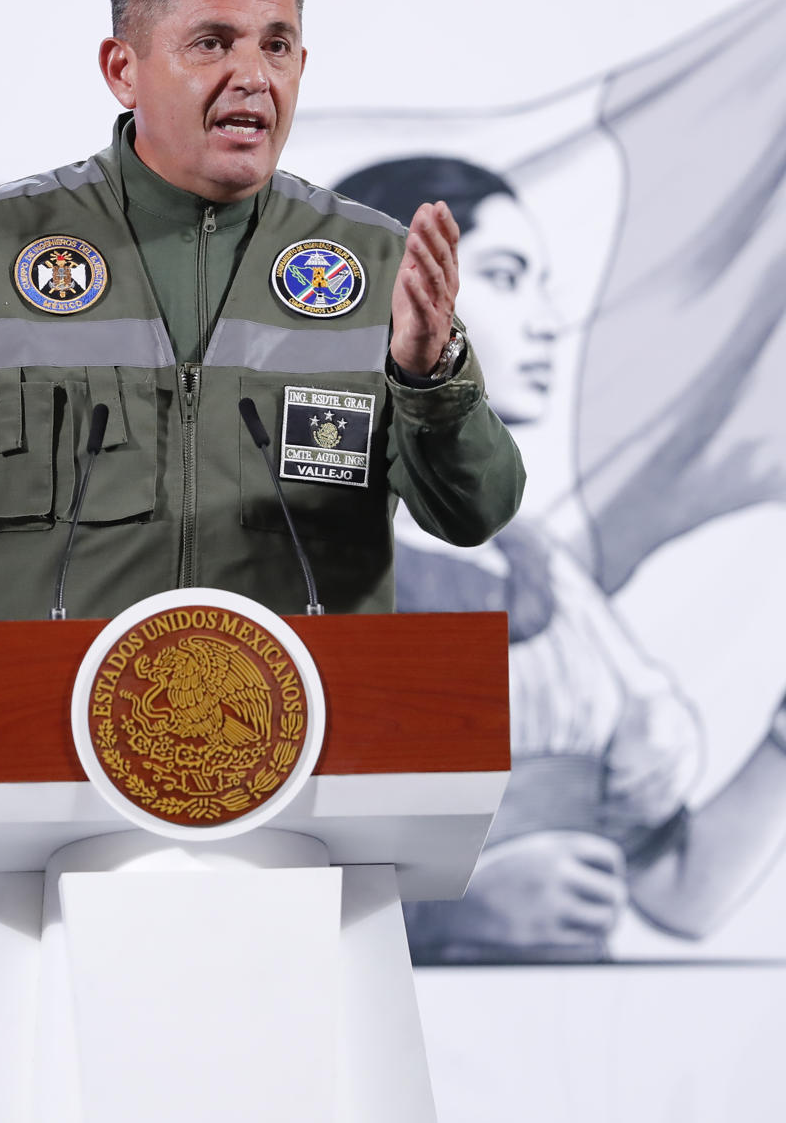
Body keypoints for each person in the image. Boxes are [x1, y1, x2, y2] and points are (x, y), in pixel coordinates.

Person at [0, 0, 527, 1121]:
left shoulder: (372, 269)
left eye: (281, 44)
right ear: (123, 66)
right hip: (30, 880)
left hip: (306, 883)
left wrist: (425, 376)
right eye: (215, 41)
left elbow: (477, 509)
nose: (254, 75)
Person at [335, 156, 786, 962]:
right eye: (507, 277)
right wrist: (443, 915)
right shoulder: (297, 563)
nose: (548, 321)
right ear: (398, 297)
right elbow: (221, 872)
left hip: (569, 1050)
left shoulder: (546, 578)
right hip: (393, 1035)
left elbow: (678, 890)